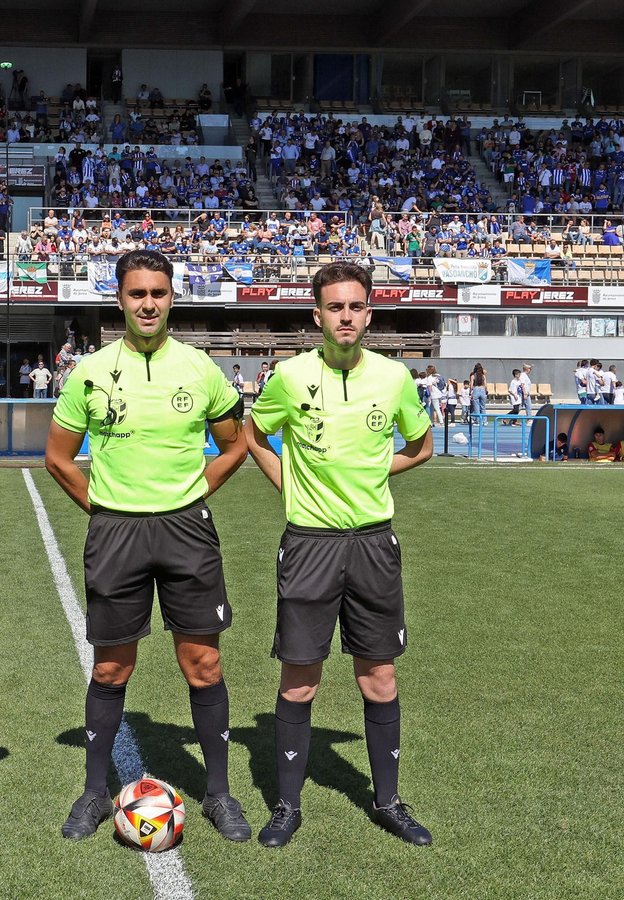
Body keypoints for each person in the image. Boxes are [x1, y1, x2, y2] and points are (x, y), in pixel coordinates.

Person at [43, 250, 252, 844]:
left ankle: (219, 794)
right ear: (120, 300)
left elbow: (234, 445)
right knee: (112, 666)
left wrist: (191, 493)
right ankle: (91, 793)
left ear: (171, 298)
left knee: (203, 663)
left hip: (187, 530)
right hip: (117, 535)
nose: (148, 304)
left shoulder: (200, 368)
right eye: (137, 294)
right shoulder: (89, 372)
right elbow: (58, 458)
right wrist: (105, 510)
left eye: (158, 293)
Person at [243, 261, 435, 849]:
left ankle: (389, 802)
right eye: (334, 307)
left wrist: (381, 468)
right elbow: (254, 433)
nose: (345, 316)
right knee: (301, 678)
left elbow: (420, 445)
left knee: (378, 673)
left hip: (375, 543)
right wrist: (286, 482)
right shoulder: (290, 377)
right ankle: (286, 806)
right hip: (310, 544)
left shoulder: (394, 379)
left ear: (368, 313)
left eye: (355, 306)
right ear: (318, 315)